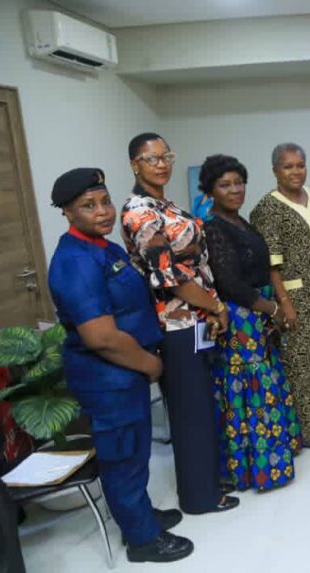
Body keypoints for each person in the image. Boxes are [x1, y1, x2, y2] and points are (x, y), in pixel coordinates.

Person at [47, 168, 192, 563]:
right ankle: (142, 541)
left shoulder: (103, 248)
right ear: (67, 212)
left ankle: (139, 516)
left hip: (124, 373)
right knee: (123, 458)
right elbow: (101, 337)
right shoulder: (74, 260)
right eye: (88, 206)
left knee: (136, 453)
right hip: (108, 377)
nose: (103, 211)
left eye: (105, 201)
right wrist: (149, 364)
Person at [121, 133, 238, 514]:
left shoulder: (165, 205)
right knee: (190, 413)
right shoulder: (139, 212)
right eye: (151, 158)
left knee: (202, 406)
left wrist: (212, 310)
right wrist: (215, 305)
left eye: (165, 156)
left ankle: (209, 480)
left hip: (196, 319)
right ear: (135, 165)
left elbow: (195, 265)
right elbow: (169, 278)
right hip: (175, 325)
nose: (161, 164)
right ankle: (199, 497)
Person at [200, 154, 302, 491]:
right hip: (241, 318)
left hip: (259, 313)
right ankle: (257, 469)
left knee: (268, 383)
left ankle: (276, 455)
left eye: (239, 183)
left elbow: (264, 268)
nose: (235, 190)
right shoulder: (213, 228)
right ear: (210, 191)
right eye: (225, 185)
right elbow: (228, 283)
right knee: (253, 391)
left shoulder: (242, 223)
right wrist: (271, 309)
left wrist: (273, 307)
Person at [250, 143, 310, 449]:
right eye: (287, 166)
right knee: (302, 365)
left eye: (300, 165)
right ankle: (309, 432)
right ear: (275, 171)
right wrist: (284, 304)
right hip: (295, 297)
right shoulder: (267, 209)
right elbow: (271, 264)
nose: (295, 172)